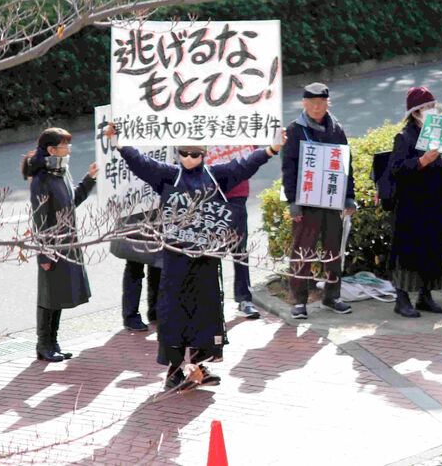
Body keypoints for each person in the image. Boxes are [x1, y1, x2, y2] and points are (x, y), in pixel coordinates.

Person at [106, 125, 284, 392]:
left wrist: (271, 149)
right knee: (175, 314)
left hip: (206, 259)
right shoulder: (168, 176)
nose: (189, 158)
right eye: (184, 153)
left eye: (195, 154)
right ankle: (175, 371)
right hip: (176, 259)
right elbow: (141, 164)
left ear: (204, 154)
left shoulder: (216, 175)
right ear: (177, 154)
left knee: (207, 313)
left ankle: (200, 367)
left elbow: (244, 165)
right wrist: (119, 143)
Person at [387, 87, 442, 318]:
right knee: (408, 251)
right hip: (411, 205)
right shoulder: (404, 136)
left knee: (433, 248)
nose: (431, 111)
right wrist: (421, 161)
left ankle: (425, 296)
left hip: (435, 202)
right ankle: (401, 300)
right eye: (426, 108)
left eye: (433, 106)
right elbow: (396, 170)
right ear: (415, 112)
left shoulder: (439, 134)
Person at [282, 83, 357, 320]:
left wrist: (349, 196)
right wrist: (293, 200)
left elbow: (346, 165)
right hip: (307, 203)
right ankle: (298, 301)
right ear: (304, 104)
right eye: (311, 102)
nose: (316, 107)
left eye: (321, 102)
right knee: (302, 252)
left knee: (333, 251)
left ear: (327, 103)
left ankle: (332, 296)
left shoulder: (336, 129)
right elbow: (288, 168)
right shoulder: (295, 130)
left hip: (332, 202)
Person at [23, 128, 97, 362]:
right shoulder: (41, 180)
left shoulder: (61, 172)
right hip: (52, 247)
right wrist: (44, 255)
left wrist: (89, 179)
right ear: (52, 150)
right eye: (65, 146)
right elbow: (40, 220)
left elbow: (71, 200)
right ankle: (43, 345)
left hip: (67, 243)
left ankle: (53, 342)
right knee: (48, 297)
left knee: (58, 295)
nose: (69, 150)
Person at [206, 146, 261, 320]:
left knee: (240, 249)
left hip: (237, 193)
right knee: (210, 251)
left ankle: (244, 298)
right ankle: (211, 299)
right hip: (209, 194)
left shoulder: (240, 122)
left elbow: (253, 154)